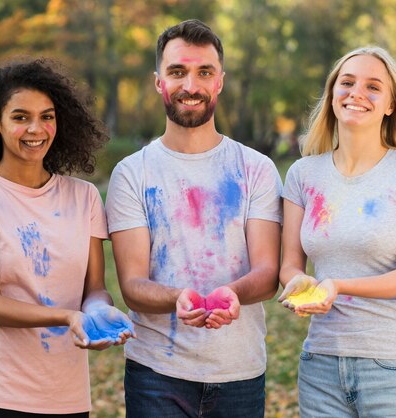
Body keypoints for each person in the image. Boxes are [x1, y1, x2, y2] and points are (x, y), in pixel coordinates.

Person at [105, 19, 283, 417]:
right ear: (158, 82)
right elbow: (132, 285)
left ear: (220, 81)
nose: (190, 86)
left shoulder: (256, 168)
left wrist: (233, 294)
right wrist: (176, 298)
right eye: (177, 72)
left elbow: (269, 271)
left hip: (239, 372)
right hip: (156, 374)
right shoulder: (132, 173)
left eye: (204, 72)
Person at [0, 58, 134, 417]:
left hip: (68, 397)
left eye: (47, 116)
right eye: (20, 117)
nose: (36, 128)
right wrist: (67, 318)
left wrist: (96, 311)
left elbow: (94, 287)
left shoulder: (85, 196)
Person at [278, 46, 396, 417]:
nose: (356, 93)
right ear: (332, 94)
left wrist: (337, 286)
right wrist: (300, 283)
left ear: (389, 104)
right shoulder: (302, 175)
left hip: (393, 368)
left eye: (373, 87)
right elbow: (288, 265)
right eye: (347, 82)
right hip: (320, 367)